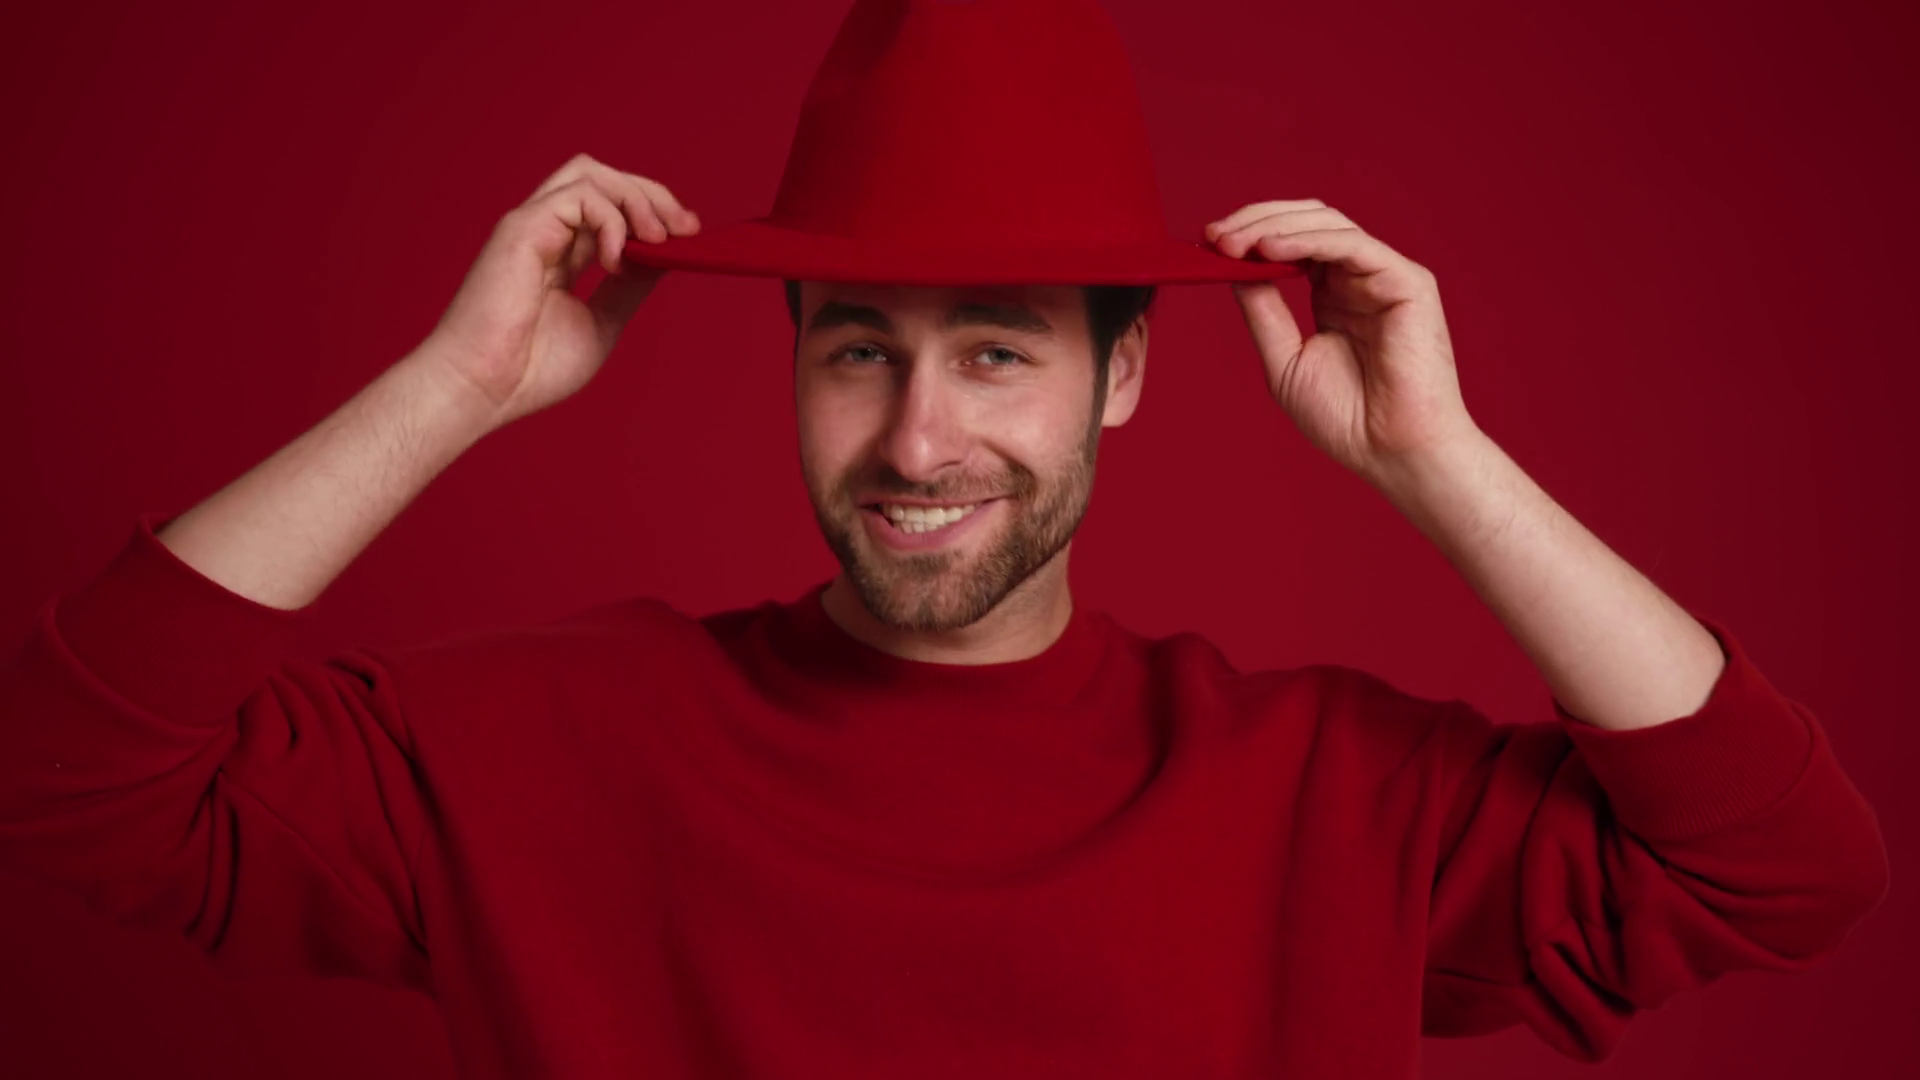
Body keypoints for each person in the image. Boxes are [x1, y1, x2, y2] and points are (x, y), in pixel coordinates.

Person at [0, 1, 1889, 1078]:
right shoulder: (537, 747)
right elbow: (64, 779)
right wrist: (453, 388)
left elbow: (1786, 873)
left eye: (996, 352)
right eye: (857, 352)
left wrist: (1439, 461)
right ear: (790, 363)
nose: (916, 439)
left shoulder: (1327, 796)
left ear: (1121, 376)